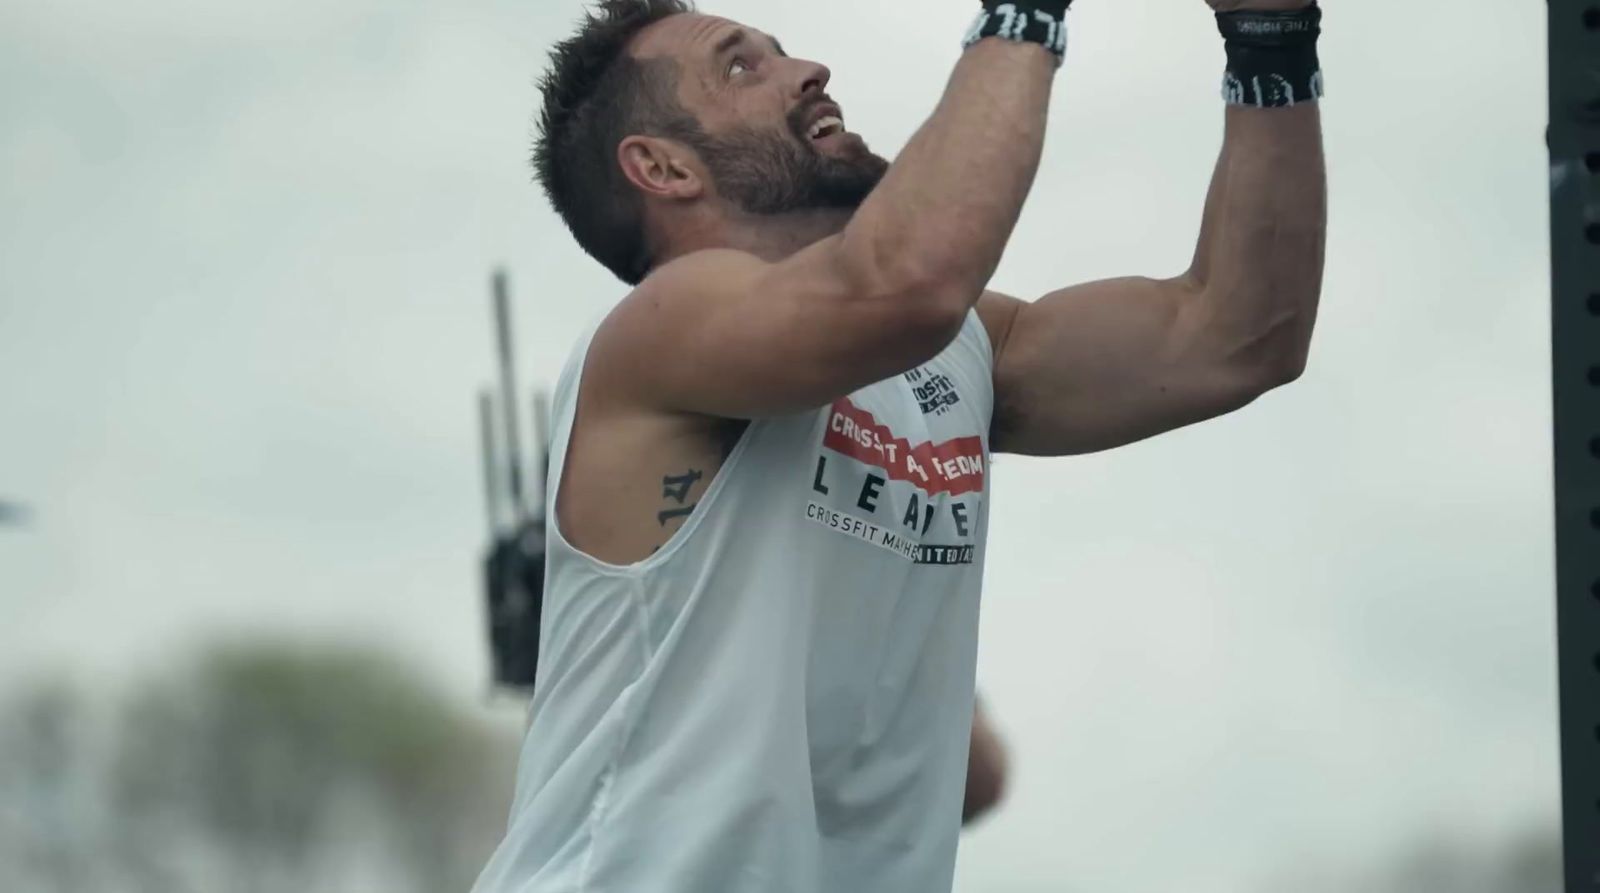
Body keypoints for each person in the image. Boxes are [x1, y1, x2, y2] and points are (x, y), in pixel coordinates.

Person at [473, 0, 1326, 890]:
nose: (808, 69)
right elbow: (908, 280)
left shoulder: (957, 347)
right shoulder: (660, 324)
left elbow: (1237, 334)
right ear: (661, 165)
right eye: (740, 67)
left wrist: (1270, 38)